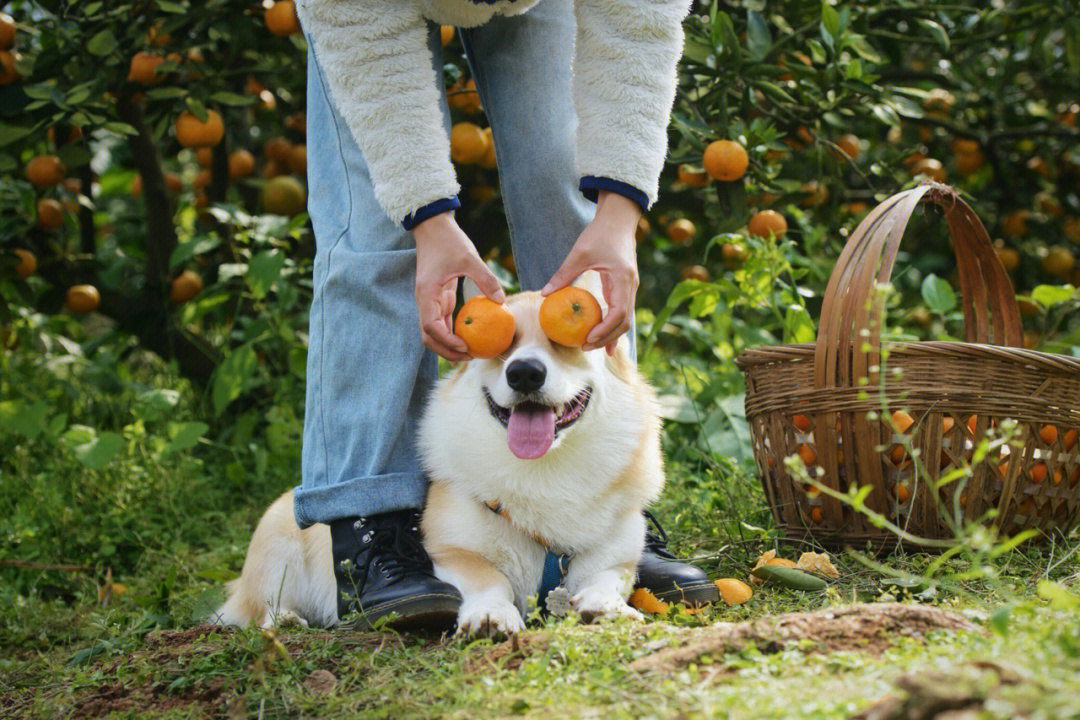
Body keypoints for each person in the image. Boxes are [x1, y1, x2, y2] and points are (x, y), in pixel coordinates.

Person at [294, 0, 718, 629]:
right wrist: (427, 221)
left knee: (571, 186)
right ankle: (372, 527)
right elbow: (360, 29)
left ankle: (609, 523)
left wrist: (619, 213)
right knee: (374, 239)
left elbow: (638, 24)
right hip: (365, 15)